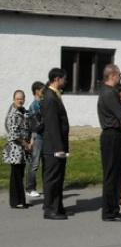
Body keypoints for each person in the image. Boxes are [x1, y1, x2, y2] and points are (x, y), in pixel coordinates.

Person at [97, 64, 121, 222]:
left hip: (111, 136)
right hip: (114, 136)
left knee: (113, 174)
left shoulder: (104, 92)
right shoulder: (110, 93)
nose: (120, 78)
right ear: (112, 76)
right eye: (119, 75)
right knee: (113, 175)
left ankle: (111, 209)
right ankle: (111, 211)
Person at [40, 68, 70, 220]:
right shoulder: (50, 97)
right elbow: (52, 125)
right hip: (53, 147)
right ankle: (50, 209)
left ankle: (57, 206)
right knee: (52, 178)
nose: (65, 81)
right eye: (64, 78)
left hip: (56, 145)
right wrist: (59, 148)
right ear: (57, 79)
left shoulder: (54, 95)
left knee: (58, 178)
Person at [3, 90, 32, 209]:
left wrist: (31, 141)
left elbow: (28, 126)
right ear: (14, 99)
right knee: (15, 176)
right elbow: (14, 134)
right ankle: (16, 202)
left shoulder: (23, 112)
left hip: (23, 149)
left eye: (22, 98)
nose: (20, 101)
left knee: (20, 175)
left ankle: (21, 200)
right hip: (15, 149)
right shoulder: (13, 114)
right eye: (18, 99)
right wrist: (25, 144)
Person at [25, 81, 44, 198]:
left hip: (42, 137)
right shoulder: (35, 106)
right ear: (37, 91)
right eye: (43, 90)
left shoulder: (41, 104)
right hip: (37, 137)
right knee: (34, 163)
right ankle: (30, 187)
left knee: (42, 164)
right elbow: (35, 125)